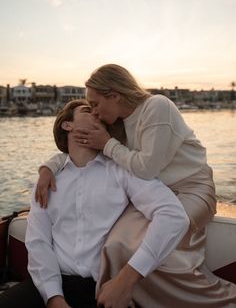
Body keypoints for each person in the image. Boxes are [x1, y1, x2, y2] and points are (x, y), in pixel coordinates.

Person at [36, 65, 236, 307]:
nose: (96, 113)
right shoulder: (120, 125)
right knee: (115, 244)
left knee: (164, 241)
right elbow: (81, 153)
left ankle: (221, 299)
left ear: (114, 95)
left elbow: (147, 167)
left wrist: (108, 143)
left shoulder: (157, 107)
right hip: (156, 190)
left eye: (95, 104)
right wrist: (48, 167)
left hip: (192, 189)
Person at [0, 99, 191, 308]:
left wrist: (126, 279)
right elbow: (38, 242)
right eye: (87, 110)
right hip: (49, 285)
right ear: (67, 125)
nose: (97, 114)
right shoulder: (48, 180)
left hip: (104, 289)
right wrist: (54, 298)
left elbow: (173, 215)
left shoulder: (122, 170)